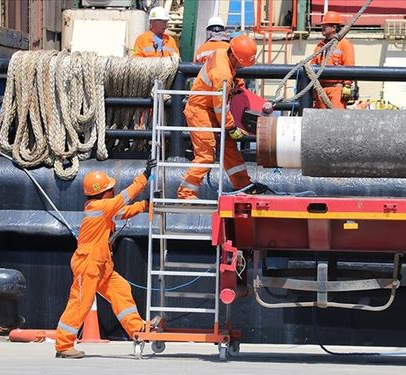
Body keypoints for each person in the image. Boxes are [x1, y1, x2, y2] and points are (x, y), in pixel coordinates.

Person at [55, 160, 161, 359]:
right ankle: (63, 344)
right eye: (110, 189)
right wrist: (144, 177)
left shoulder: (102, 208)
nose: (113, 191)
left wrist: (145, 205)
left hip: (101, 265)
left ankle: (137, 328)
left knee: (121, 290)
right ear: (102, 192)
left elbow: (122, 212)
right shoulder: (100, 207)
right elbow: (123, 198)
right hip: (88, 265)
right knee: (80, 303)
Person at [177, 34, 267, 200]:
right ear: (234, 55)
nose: (241, 67)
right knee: (206, 154)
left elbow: (225, 94)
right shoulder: (222, 74)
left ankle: (243, 185)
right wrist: (231, 127)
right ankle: (186, 193)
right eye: (241, 63)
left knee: (229, 147)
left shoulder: (224, 52)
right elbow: (221, 106)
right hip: (200, 110)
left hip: (210, 108)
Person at [311, 11, 355, 109]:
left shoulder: (344, 45)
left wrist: (347, 85)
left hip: (337, 89)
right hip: (321, 89)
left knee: (336, 120)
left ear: (334, 28)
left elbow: (349, 66)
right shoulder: (320, 46)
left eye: (325, 26)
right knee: (319, 120)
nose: (322, 28)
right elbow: (312, 65)